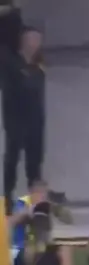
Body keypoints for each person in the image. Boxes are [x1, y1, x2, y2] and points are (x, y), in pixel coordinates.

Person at [1, 26, 46, 213]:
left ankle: (35, 202)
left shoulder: (39, 63)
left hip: (36, 121)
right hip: (16, 120)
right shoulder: (11, 62)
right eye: (32, 39)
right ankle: (7, 198)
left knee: (34, 163)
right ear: (23, 41)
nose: (35, 44)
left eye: (38, 40)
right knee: (12, 161)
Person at [9, 180, 75, 265]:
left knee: (65, 247)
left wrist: (56, 208)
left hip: (45, 243)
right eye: (39, 193)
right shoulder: (23, 203)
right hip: (25, 245)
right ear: (32, 193)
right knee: (29, 251)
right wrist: (28, 211)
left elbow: (69, 220)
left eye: (44, 193)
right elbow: (10, 222)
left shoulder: (49, 205)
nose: (42, 196)